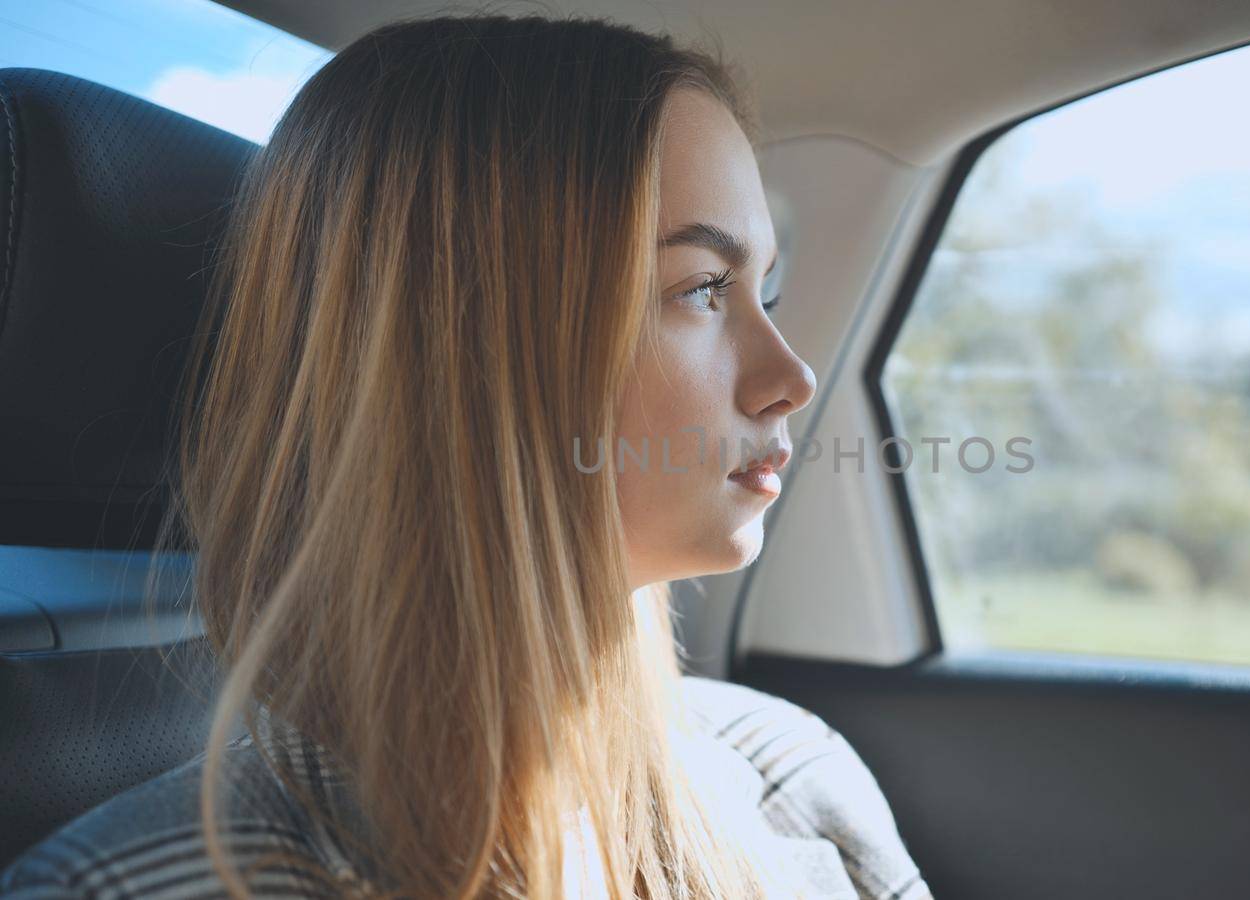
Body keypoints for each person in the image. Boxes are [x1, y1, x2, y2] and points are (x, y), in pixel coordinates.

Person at [0, 14, 930, 899]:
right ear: (465, 350)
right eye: (701, 289)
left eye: (762, 290)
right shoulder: (131, 886)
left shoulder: (789, 776)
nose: (791, 376)